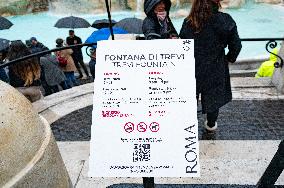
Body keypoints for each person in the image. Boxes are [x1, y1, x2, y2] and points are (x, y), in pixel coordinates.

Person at [179, 0, 242, 131]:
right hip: (216, 66)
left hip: (193, 67)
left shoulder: (189, 21)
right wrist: (229, 58)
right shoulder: (225, 20)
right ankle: (211, 124)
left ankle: (189, 124)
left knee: (191, 96)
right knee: (214, 97)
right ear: (217, 3)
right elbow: (236, 45)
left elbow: (182, 43)